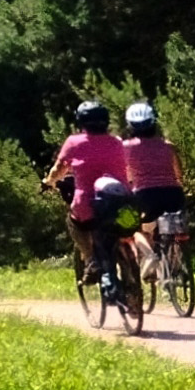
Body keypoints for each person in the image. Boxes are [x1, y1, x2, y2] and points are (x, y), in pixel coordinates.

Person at [45, 100, 132, 299]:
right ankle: (131, 277)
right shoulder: (117, 142)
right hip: (121, 204)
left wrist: (49, 181)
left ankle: (91, 259)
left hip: (88, 206)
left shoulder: (74, 142)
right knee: (118, 234)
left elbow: (59, 169)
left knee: (73, 222)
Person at [121, 100, 190, 274]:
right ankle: (174, 265)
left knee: (134, 229)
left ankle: (150, 255)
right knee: (174, 230)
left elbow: (124, 174)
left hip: (145, 196)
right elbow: (179, 173)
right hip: (173, 194)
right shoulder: (168, 146)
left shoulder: (126, 148)